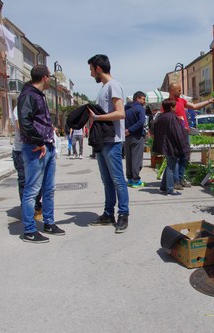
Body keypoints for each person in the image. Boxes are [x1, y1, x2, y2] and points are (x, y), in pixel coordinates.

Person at [17, 64, 65, 243]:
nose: (50, 80)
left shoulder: (38, 95)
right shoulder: (28, 95)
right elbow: (25, 122)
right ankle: (29, 230)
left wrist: (49, 129)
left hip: (48, 146)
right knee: (32, 190)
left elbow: (35, 121)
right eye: (50, 77)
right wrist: (39, 141)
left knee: (49, 189)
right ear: (45, 77)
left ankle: (49, 223)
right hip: (36, 149)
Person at [87, 54, 129, 234]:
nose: (90, 75)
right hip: (102, 141)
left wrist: (97, 117)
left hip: (113, 142)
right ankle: (108, 213)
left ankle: (123, 214)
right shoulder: (104, 88)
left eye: (91, 70)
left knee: (118, 180)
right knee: (107, 181)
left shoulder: (113, 86)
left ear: (98, 68)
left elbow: (120, 113)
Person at [168, 82, 214, 189]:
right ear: (171, 91)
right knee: (176, 158)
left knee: (185, 157)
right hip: (175, 134)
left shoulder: (181, 100)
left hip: (185, 133)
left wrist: (209, 101)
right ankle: (176, 181)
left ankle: (180, 179)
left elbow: (194, 106)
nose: (180, 92)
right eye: (178, 90)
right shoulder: (167, 103)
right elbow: (165, 118)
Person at [10, 106, 43, 222]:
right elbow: (21, 126)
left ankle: (36, 205)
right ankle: (28, 210)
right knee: (24, 180)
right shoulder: (19, 107)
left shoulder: (37, 106)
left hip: (38, 148)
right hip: (21, 150)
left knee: (38, 181)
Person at [152, 98, 190, 195]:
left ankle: (163, 187)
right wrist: (183, 146)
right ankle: (170, 189)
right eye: (175, 106)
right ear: (172, 107)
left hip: (164, 145)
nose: (176, 107)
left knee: (170, 165)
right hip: (172, 145)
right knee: (170, 167)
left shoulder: (161, 117)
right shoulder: (173, 117)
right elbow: (177, 133)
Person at [125, 91, 147, 188]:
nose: (144, 101)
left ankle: (129, 178)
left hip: (126, 137)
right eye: (143, 99)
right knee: (136, 159)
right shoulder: (140, 108)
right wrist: (131, 130)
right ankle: (136, 180)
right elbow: (141, 122)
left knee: (129, 158)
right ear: (138, 98)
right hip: (137, 136)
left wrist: (126, 131)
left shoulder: (126, 108)